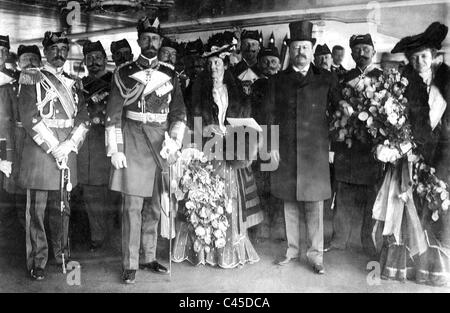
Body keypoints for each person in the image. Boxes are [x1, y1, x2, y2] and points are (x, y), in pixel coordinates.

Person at [106, 16, 186, 284]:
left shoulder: (171, 74)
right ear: (139, 41)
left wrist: (174, 140)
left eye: (155, 39)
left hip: (160, 143)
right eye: (146, 39)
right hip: (133, 141)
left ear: (160, 42)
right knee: (132, 207)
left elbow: (178, 114)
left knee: (154, 206)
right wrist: (115, 149)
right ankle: (129, 263)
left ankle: (148, 256)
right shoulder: (124, 73)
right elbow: (113, 116)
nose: (150, 43)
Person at [172, 32, 260, 268]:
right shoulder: (197, 89)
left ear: (225, 64)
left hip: (229, 150)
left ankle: (225, 251)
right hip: (206, 150)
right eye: (210, 63)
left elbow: (244, 119)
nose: (213, 67)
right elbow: (190, 120)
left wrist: (235, 137)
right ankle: (203, 252)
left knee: (228, 198)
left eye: (218, 63)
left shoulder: (236, 90)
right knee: (203, 197)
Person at [265, 21, 341, 274]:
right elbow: (269, 115)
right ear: (291, 49)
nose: (301, 51)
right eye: (296, 47)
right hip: (285, 150)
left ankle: (316, 256)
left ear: (312, 50)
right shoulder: (278, 80)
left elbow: (340, 111)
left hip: (315, 151)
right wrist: (271, 143)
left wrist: (333, 139)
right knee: (289, 201)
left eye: (305, 47)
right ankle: (292, 250)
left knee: (314, 204)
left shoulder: (326, 79)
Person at [379, 21, 450, 286]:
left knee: (436, 207)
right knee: (407, 207)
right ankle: (405, 267)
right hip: (410, 156)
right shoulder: (404, 85)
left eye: (424, 56)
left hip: (442, 155)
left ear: (433, 58)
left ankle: (432, 270)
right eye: (415, 57)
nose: (419, 61)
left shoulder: (446, 82)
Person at [18, 31, 90, 280]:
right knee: (36, 212)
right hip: (41, 153)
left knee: (63, 208)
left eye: (63, 48)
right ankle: (38, 260)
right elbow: (28, 116)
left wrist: (69, 144)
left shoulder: (74, 82)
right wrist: (54, 146)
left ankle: (61, 253)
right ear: (45, 51)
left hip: (66, 151)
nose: (59, 53)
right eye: (54, 48)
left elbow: (83, 117)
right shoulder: (30, 77)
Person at [326, 34, 383, 256]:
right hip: (347, 147)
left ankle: (367, 240)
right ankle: (339, 239)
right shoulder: (342, 79)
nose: (361, 53)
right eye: (357, 49)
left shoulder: (382, 78)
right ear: (351, 54)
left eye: (366, 49)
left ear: (373, 51)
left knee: (371, 196)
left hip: (370, 147)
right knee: (343, 193)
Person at [78, 40, 114, 252]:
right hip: (89, 147)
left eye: (98, 57)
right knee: (91, 194)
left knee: (112, 196)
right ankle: (97, 238)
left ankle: (111, 237)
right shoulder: (80, 85)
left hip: (110, 145)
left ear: (106, 59)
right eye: (89, 59)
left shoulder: (115, 82)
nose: (94, 62)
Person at [13, 45, 42, 229]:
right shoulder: (11, 85)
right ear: (18, 64)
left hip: (38, 141)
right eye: (25, 59)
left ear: (40, 63)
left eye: (33, 59)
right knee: (16, 187)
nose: (30, 63)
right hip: (16, 140)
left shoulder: (45, 84)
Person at [233, 29, 262, 96]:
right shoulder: (234, 70)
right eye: (246, 44)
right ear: (241, 47)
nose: (250, 48)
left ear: (259, 48)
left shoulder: (263, 68)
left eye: (253, 44)